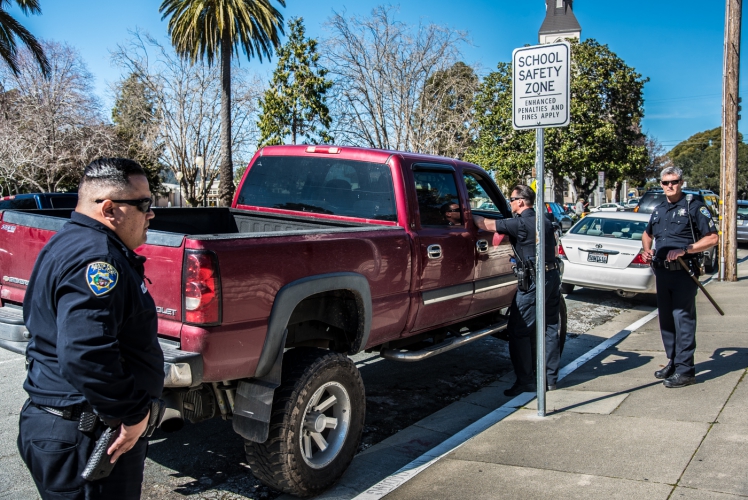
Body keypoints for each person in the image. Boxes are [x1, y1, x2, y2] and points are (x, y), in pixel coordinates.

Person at [18, 158, 163, 499]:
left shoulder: (69, 241)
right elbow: (85, 351)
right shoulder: (98, 260)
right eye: (144, 204)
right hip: (84, 432)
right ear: (110, 208)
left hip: (65, 426)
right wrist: (131, 413)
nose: (152, 214)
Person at [473, 185, 561, 396]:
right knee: (549, 327)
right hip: (551, 276)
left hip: (533, 281)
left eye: (512, 199)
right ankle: (550, 378)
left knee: (519, 330)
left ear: (521, 201)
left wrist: (467, 213)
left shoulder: (520, 223)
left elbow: (485, 223)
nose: (510, 203)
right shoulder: (545, 220)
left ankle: (526, 381)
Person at [640, 166, 718, 388]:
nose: (670, 186)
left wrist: (686, 249)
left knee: (683, 320)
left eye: (673, 182)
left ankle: (686, 371)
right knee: (666, 321)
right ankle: (673, 362)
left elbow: (712, 238)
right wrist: (647, 250)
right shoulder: (659, 209)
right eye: (665, 183)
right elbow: (647, 233)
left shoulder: (694, 207)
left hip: (684, 272)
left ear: (681, 182)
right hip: (662, 271)